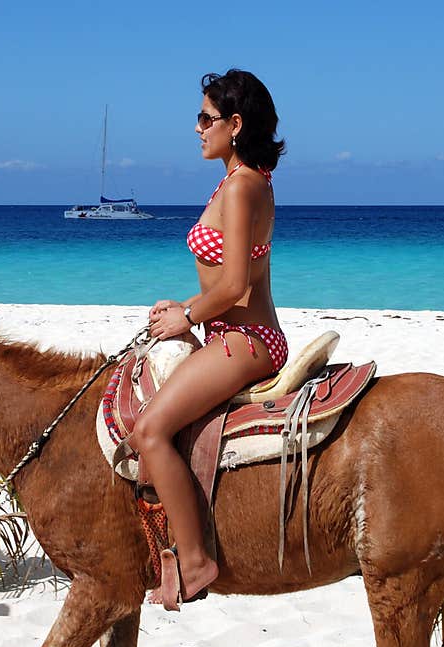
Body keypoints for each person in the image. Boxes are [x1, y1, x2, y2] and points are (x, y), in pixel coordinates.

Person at [131, 69, 287, 605]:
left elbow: (236, 283)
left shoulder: (243, 186)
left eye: (206, 118)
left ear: (235, 124)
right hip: (233, 331)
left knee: (149, 431)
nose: (197, 128)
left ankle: (194, 562)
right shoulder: (238, 180)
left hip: (246, 340)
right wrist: (186, 307)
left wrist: (187, 318)